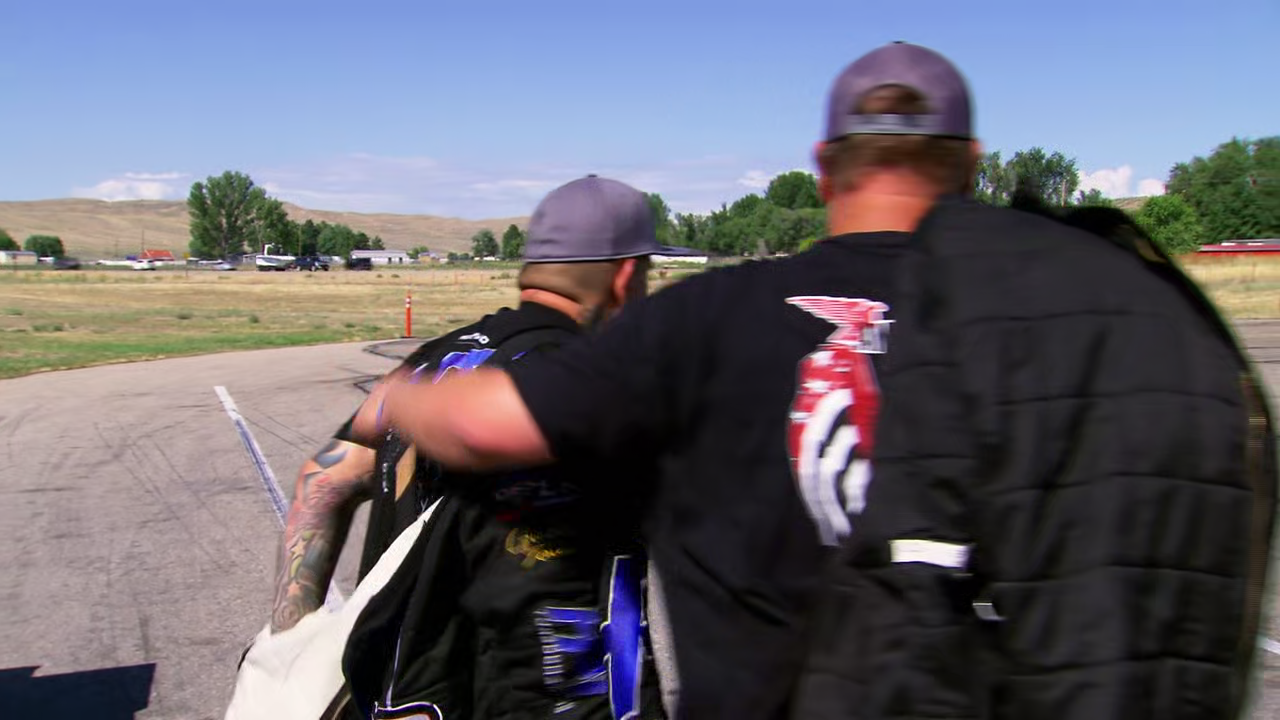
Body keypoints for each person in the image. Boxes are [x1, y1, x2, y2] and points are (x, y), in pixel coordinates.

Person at [344, 40, 1277, 720]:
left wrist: (406, 394)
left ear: (825, 170)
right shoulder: (1068, 326)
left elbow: (488, 425)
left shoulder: (710, 315)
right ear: (971, 166)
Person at [266, 174, 675, 719]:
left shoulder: (431, 361)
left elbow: (324, 479)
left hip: (397, 695)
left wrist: (290, 640)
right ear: (625, 278)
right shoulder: (584, 382)